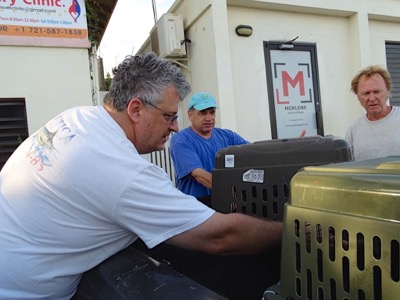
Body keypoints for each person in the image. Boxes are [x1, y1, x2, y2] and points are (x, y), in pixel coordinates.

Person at [0, 52, 283, 299]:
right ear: (136, 109)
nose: (174, 128)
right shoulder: (118, 169)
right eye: (169, 116)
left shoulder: (77, 118)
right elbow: (221, 236)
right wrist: (295, 231)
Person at [170, 92, 249, 205]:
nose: (209, 118)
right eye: (203, 113)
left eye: (212, 113)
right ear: (190, 115)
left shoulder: (227, 135)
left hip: (227, 200)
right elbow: (199, 175)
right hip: (196, 204)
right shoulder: (181, 140)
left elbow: (252, 153)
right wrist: (231, 190)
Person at [345, 65, 400, 161]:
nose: (372, 98)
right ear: (358, 97)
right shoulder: (353, 131)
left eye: (377, 92)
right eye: (366, 93)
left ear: (388, 91)